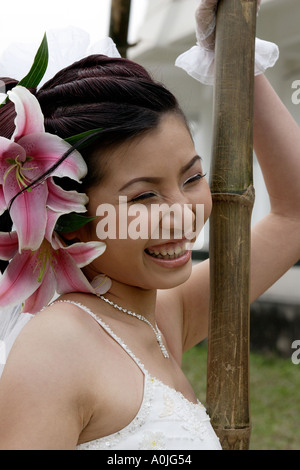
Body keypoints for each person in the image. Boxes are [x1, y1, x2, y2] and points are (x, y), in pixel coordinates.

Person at [0, 0, 299, 450]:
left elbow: (293, 215)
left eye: (192, 177)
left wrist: (237, 60)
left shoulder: (162, 316)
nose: (182, 213)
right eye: (143, 196)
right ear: (71, 222)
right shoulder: (58, 346)